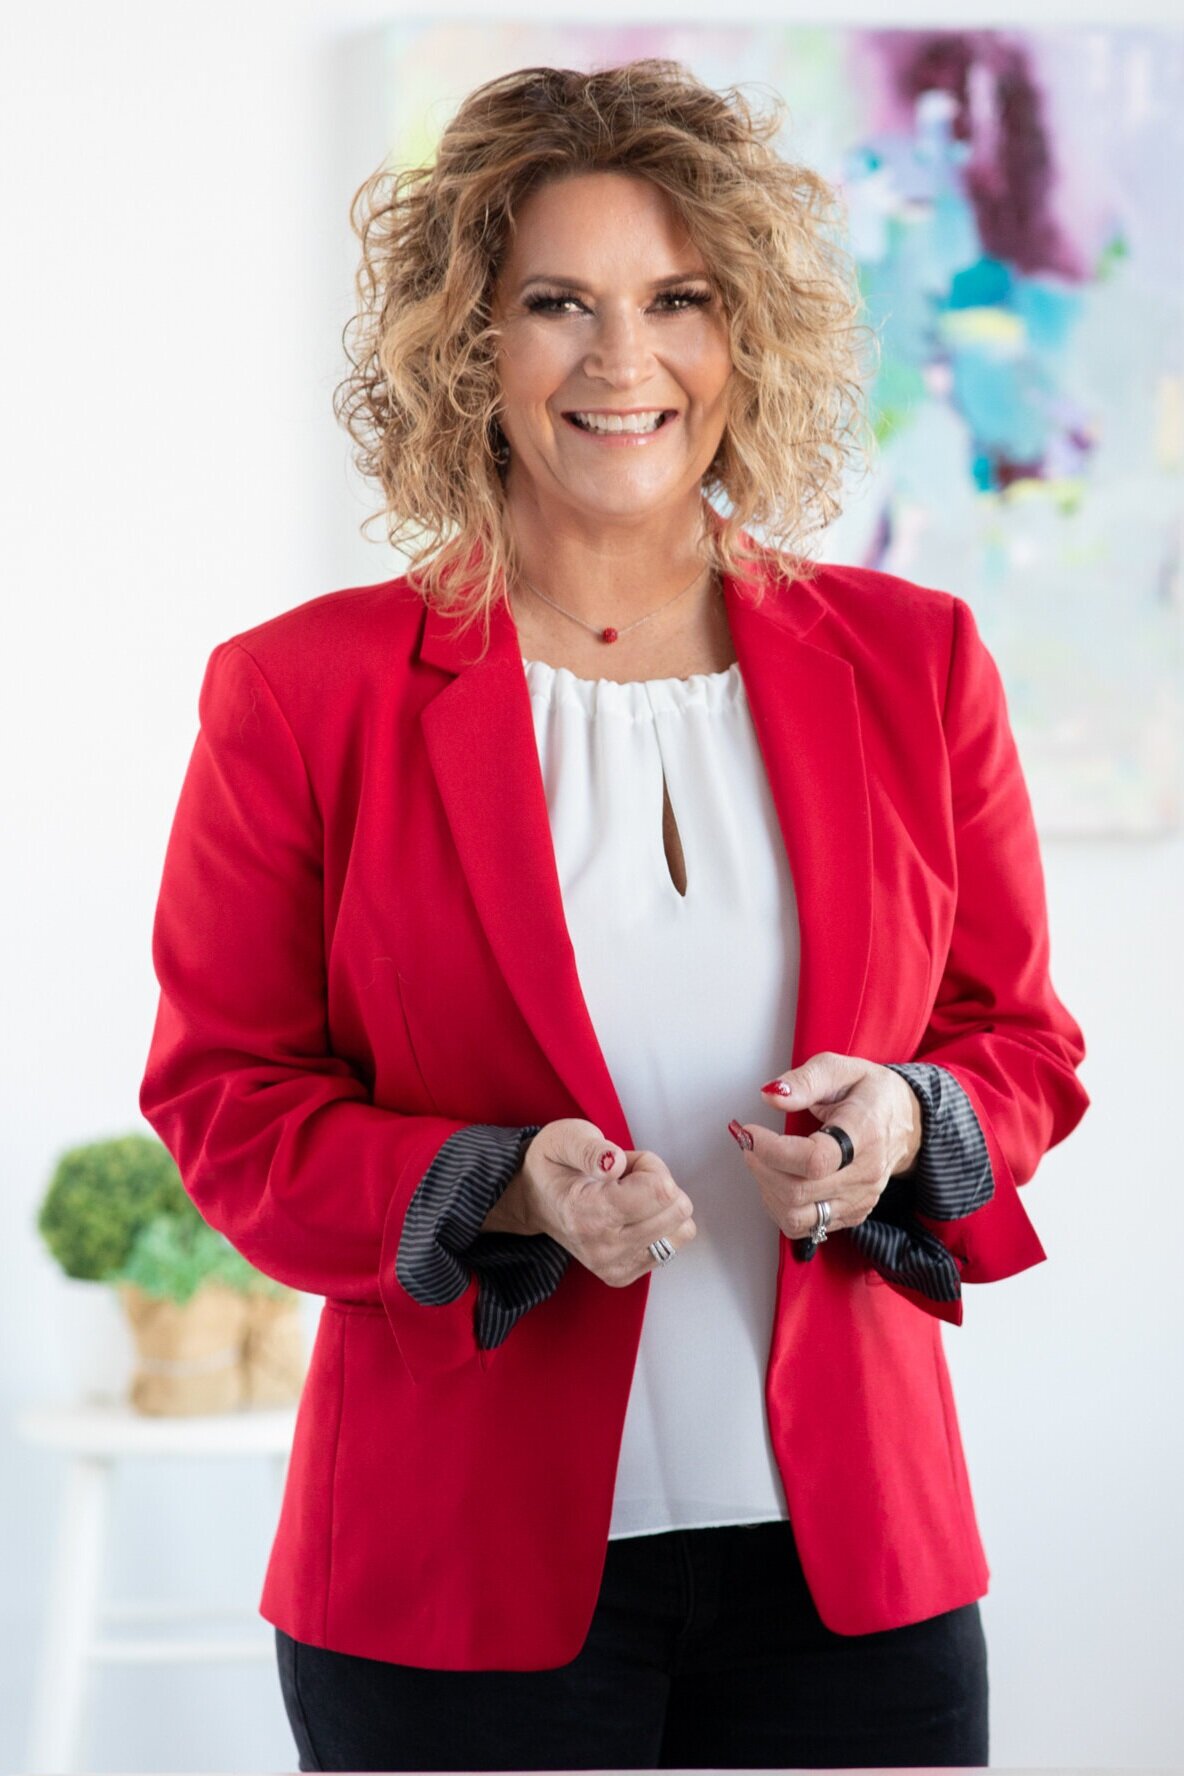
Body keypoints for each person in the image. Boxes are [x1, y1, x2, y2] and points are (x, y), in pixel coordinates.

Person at [138, 59, 1090, 1772]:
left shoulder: (914, 658)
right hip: (448, 1589)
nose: (623, 361)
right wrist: (493, 1180)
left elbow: (1015, 1041)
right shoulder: (300, 694)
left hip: (852, 1577)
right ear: (467, 343)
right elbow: (227, 1103)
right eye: (556, 302)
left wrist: (903, 1118)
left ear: (750, 334)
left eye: (678, 300)